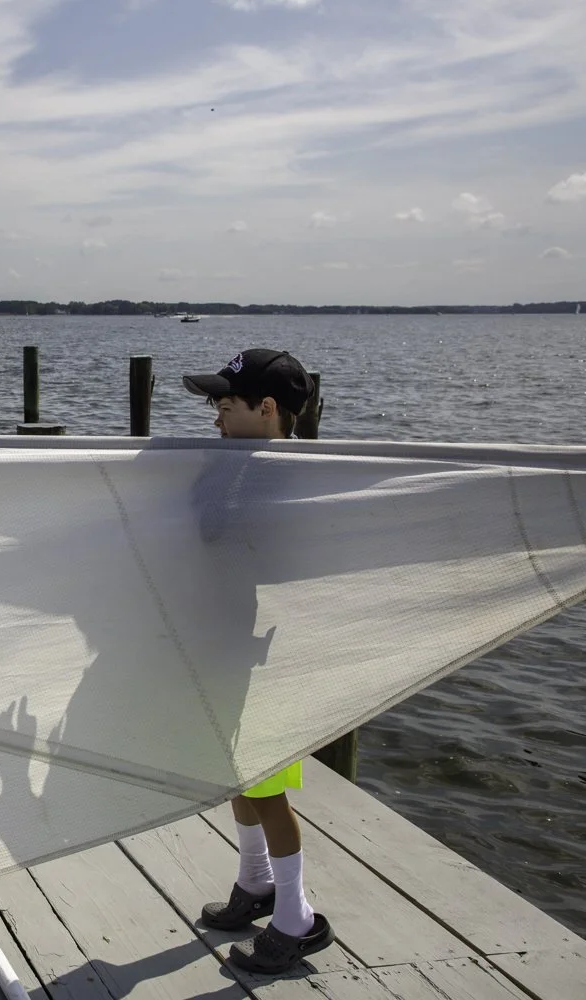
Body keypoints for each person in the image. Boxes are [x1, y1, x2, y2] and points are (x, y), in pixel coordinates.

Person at [181, 348, 332, 976]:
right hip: (227, 655)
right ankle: (256, 881)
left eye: (226, 405)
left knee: (267, 790)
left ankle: (296, 919)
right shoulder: (239, 468)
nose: (215, 418)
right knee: (236, 777)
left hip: (265, 667)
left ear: (266, 409)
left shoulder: (288, 479)